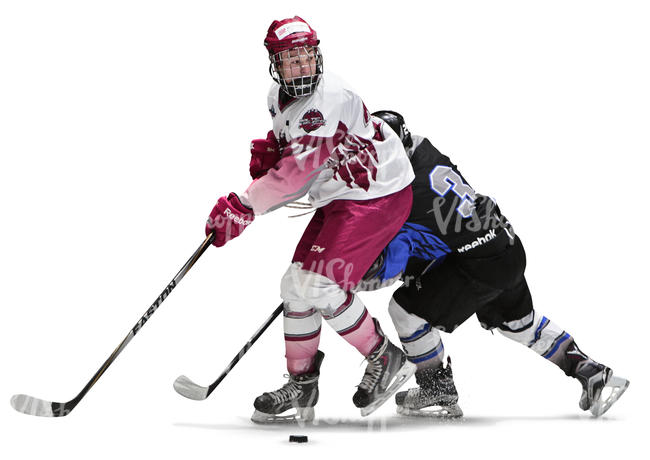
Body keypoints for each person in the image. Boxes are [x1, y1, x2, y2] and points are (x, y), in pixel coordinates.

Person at [205, 18, 416, 423]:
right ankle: (301, 386)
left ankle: (385, 358)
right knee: (295, 287)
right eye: (290, 61)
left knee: (320, 284)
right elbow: (296, 162)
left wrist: (244, 206)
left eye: (305, 57)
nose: (300, 67)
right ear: (275, 65)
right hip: (340, 195)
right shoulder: (277, 98)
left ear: (316, 55)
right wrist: (276, 154)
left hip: (377, 195)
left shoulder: (326, 100)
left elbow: (296, 178)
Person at [359, 110, 629, 418]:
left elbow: (393, 262)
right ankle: (589, 371)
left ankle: (436, 388)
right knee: (520, 323)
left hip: (476, 262)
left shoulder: (403, 191)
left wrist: (340, 278)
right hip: (506, 243)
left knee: (405, 311)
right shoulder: (423, 147)